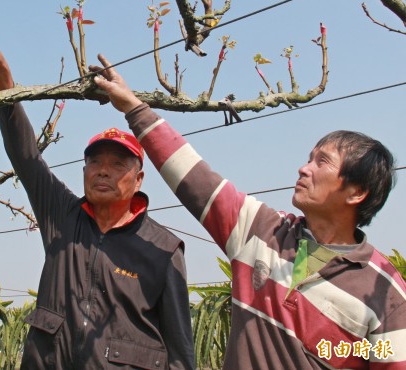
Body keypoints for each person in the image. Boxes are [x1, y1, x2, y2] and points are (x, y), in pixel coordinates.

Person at [90, 54, 406, 370]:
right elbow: (194, 177)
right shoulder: (262, 230)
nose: (303, 168)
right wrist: (134, 107)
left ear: (357, 192)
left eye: (322, 162)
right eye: (309, 158)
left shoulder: (386, 293)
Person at [0, 9, 195, 369]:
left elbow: (180, 351)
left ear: (139, 179)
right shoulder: (63, 217)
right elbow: (26, 156)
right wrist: (0, 73)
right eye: (94, 162)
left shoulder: (163, 249)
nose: (103, 171)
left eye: (118, 164)